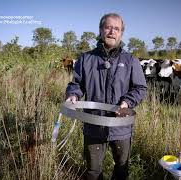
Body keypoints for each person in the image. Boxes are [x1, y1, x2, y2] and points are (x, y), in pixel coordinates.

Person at [65, 13, 147, 180]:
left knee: (121, 169)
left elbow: (140, 88)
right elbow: (77, 84)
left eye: (116, 28)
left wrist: (127, 102)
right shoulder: (86, 59)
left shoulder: (131, 61)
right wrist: (73, 94)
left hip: (121, 127)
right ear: (101, 30)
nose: (112, 31)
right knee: (93, 172)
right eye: (108, 27)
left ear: (121, 33)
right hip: (93, 126)